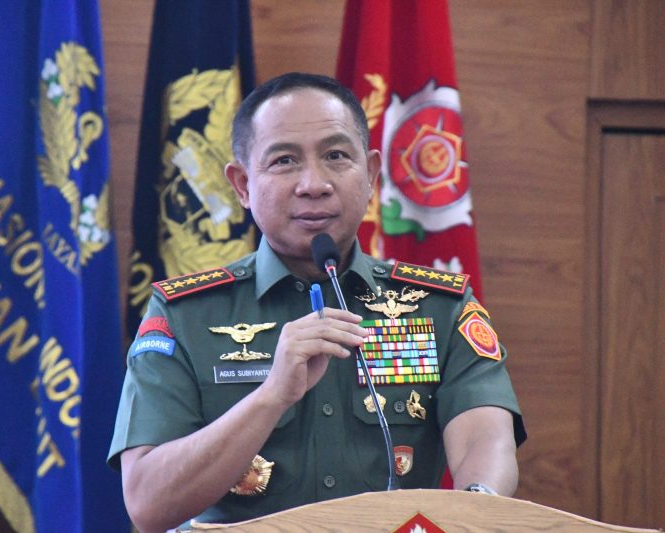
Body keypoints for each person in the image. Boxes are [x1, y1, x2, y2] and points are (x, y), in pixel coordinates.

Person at [109, 72, 526, 532]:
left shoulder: (439, 308)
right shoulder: (185, 316)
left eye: (335, 156)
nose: (314, 183)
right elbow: (148, 503)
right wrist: (272, 396)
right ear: (243, 185)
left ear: (371, 174)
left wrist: (476, 509)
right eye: (285, 161)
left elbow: (485, 439)